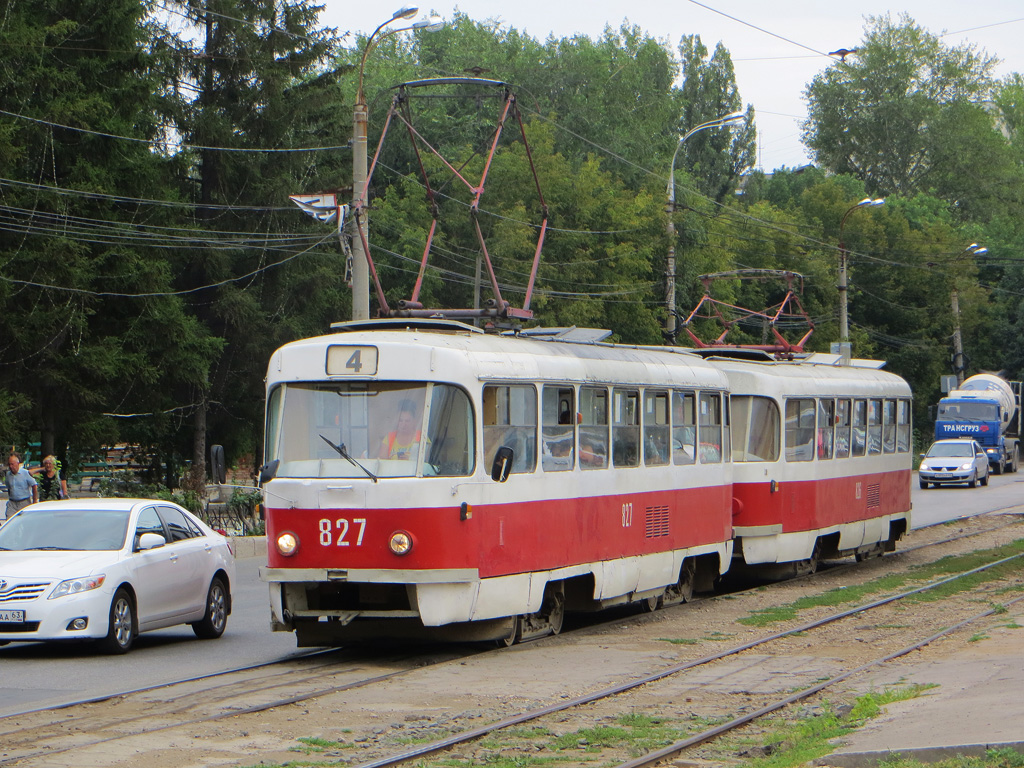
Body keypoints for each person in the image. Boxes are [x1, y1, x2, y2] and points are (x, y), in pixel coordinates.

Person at [4, 452, 38, 519]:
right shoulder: (8, 475)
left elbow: (34, 485)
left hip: (24, 502)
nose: (10, 466)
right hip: (12, 503)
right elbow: (9, 488)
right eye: (9, 464)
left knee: (24, 521)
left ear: (17, 464)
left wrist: (35, 501)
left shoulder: (25, 473)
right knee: (9, 520)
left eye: (12, 464)